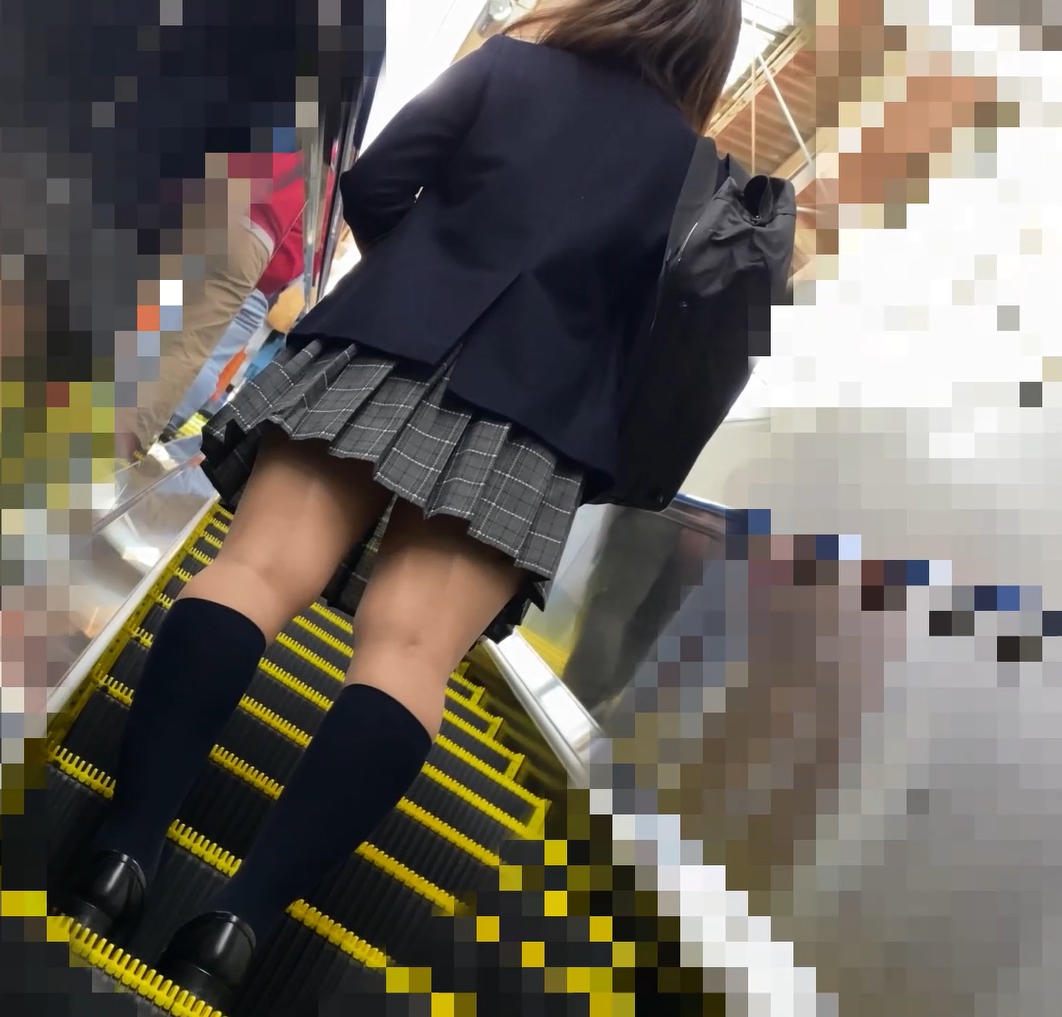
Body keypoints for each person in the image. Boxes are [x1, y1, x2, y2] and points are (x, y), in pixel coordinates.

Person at [54, 0, 745, 1008]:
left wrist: (423, 274)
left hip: (383, 340)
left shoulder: (510, 68)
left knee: (256, 573)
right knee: (411, 656)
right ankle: (239, 925)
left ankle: (122, 854)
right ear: (715, 54)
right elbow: (669, 352)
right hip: (538, 420)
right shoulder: (706, 182)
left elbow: (376, 182)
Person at [122, 152, 308, 459]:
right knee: (192, 351)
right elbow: (297, 254)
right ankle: (124, 445)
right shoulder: (324, 167)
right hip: (253, 248)